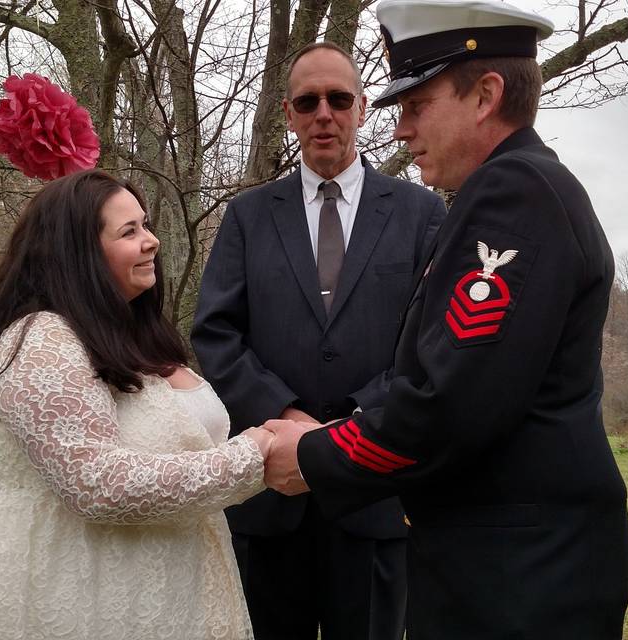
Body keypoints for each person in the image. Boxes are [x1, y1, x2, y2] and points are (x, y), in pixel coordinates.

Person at [262, 1, 628, 638]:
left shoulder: (514, 191)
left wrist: (318, 454)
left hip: (520, 576)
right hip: (503, 561)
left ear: (486, 94)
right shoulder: (506, 192)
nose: (400, 129)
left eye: (415, 105)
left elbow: (450, 402)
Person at [0, 169, 272, 640]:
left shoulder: (124, 334)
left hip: (147, 592)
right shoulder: (40, 340)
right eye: (130, 232)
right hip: (55, 593)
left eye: (146, 225)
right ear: (77, 253)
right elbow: (96, 483)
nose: (151, 242)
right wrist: (255, 456)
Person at [191, 42, 445, 640]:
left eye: (337, 98)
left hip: (375, 493)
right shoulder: (249, 215)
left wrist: (352, 425)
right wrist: (282, 415)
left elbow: (431, 339)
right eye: (308, 101)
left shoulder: (420, 212)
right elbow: (215, 330)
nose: (323, 114)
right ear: (288, 113)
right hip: (268, 491)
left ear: (361, 106)